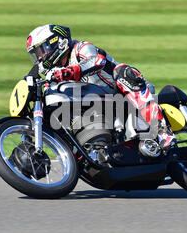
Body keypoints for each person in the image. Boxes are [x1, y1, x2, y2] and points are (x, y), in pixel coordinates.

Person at [26, 24, 175, 152]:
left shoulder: (80, 48)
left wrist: (66, 72)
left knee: (123, 71)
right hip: (98, 106)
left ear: (56, 43)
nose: (40, 58)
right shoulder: (51, 72)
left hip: (122, 94)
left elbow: (97, 61)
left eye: (41, 51)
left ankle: (162, 132)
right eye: (36, 54)